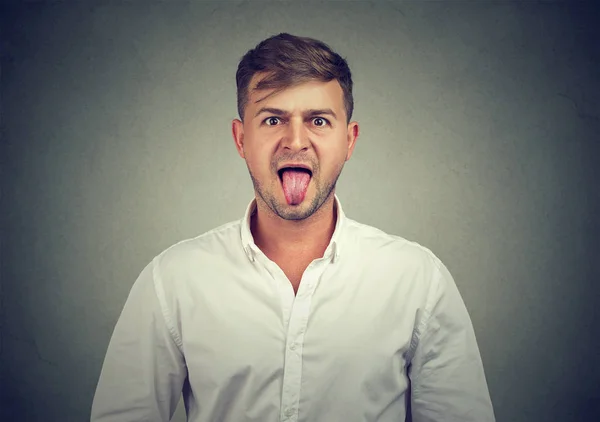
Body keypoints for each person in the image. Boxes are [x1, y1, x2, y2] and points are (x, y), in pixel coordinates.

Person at [91, 33, 496, 422]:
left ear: (349, 140)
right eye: (271, 120)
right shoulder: (172, 281)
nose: (296, 141)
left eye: (319, 120)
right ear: (241, 138)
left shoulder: (418, 281)